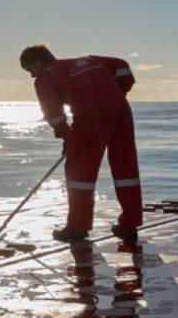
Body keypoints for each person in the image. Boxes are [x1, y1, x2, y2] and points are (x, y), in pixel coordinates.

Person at [20, 44, 143, 243]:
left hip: (90, 117)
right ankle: (130, 224)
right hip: (121, 112)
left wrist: (67, 138)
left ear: (38, 62)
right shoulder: (89, 59)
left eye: (29, 69)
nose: (31, 75)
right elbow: (123, 67)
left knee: (79, 173)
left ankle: (77, 227)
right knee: (126, 169)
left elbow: (54, 114)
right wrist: (118, 92)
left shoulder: (45, 78)